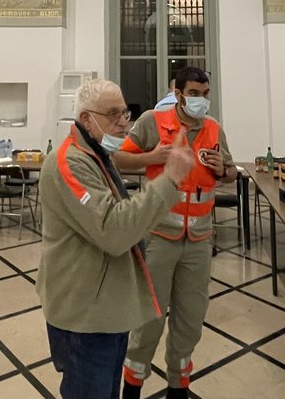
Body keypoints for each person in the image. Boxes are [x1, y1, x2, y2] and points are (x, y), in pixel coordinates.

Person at [37, 79, 195, 399]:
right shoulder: (70, 161)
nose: (124, 122)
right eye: (113, 115)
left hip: (106, 307)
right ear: (86, 119)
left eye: (125, 113)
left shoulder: (95, 152)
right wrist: (169, 179)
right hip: (85, 315)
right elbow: (114, 231)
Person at [113, 66, 236, 399]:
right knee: (150, 316)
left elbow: (232, 171)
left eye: (206, 94)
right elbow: (117, 158)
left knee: (190, 319)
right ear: (179, 94)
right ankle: (133, 384)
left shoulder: (213, 129)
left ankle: (178, 385)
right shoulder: (154, 121)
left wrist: (222, 169)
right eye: (194, 94)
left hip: (199, 241)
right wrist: (153, 157)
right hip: (159, 238)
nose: (201, 100)